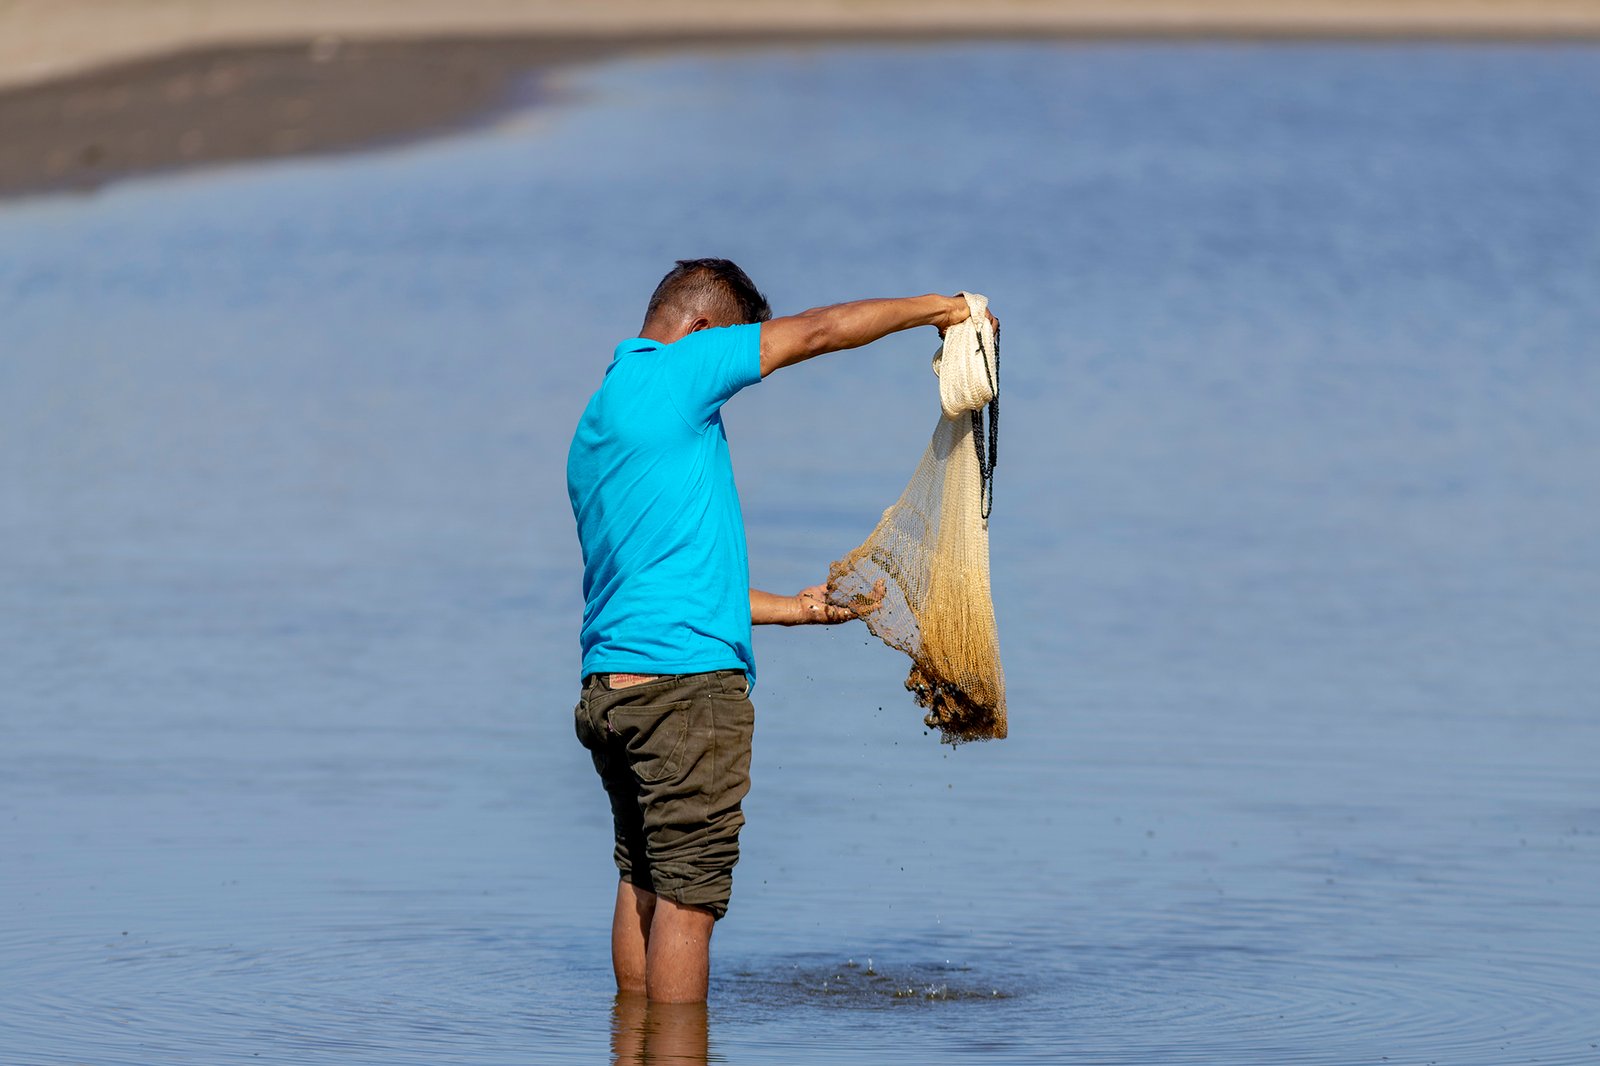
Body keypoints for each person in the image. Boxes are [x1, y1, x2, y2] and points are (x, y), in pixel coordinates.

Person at [567, 258, 994, 1003]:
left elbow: (662, 591)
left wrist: (794, 610)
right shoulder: (684, 366)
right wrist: (939, 309)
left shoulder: (599, 422)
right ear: (703, 330)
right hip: (685, 698)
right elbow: (819, 331)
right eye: (737, 348)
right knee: (688, 904)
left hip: (612, 693)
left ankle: (633, 1044)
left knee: (640, 884)